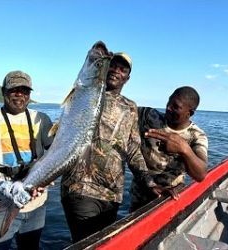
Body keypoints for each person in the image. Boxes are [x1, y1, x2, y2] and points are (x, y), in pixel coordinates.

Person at [60, 52, 156, 243]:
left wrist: (150, 182)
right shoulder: (86, 94)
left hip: (112, 194)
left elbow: (133, 149)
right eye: (112, 65)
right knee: (88, 242)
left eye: (122, 69)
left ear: (127, 78)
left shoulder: (130, 107)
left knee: (103, 243)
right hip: (80, 188)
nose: (115, 71)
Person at [0, 70, 53, 250]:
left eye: (25, 91)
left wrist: (48, 178)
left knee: (31, 247)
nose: (20, 95)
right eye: (14, 90)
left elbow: (57, 152)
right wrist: (4, 187)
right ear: (3, 91)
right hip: (1, 199)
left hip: (37, 203)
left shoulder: (42, 119)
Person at [129, 86, 208, 212]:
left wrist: (184, 149)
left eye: (175, 107)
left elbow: (201, 174)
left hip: (171, 196)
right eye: (169, 102)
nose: (168, 108)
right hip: (140, 191)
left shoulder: (196, 135)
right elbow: (121, 110)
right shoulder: (148, 116)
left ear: (190, 113)